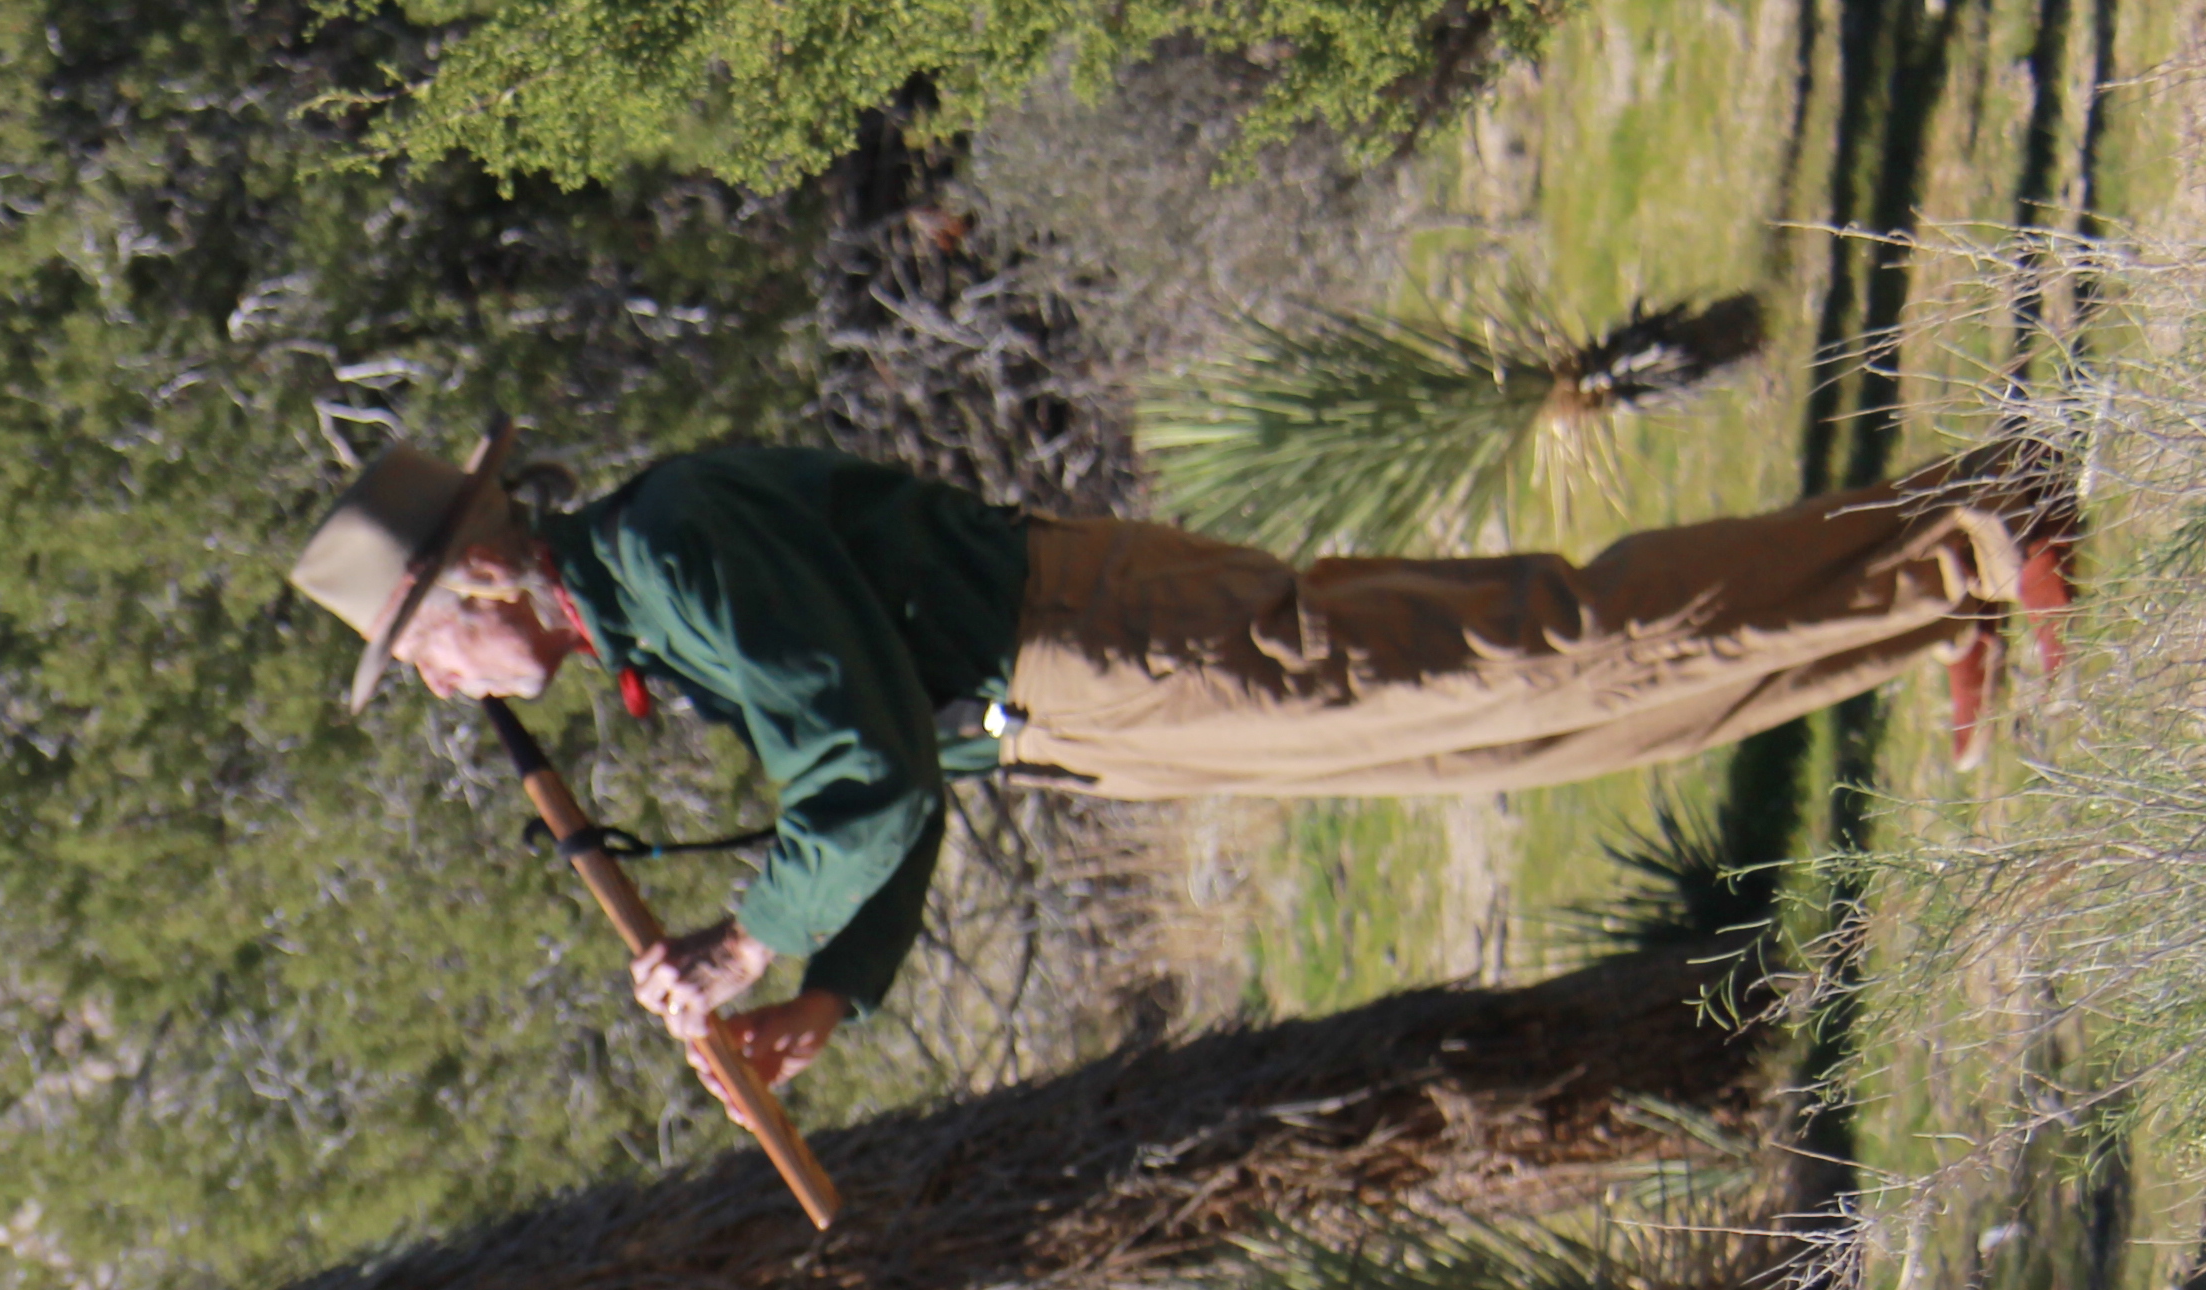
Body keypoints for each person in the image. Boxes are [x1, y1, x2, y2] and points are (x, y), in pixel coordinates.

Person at [284, 423, 2076, 1091]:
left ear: (482, 576)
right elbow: (894, 758)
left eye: (423, 649)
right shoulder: (647, 612)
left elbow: (864, 765)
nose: (449, 691)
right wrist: (836, 990)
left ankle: (1971, 531)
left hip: (1111, 648)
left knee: (1542, 643)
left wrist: (754, 943)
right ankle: (1925, 606)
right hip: (1080, 716)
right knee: (1518, 732)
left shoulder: (670, 548)